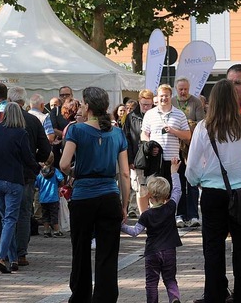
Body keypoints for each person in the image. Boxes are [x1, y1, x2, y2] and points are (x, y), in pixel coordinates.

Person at [185, 79, 241, 303]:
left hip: (212, 192)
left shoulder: (204, 127)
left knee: (213, 247)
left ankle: (215, 293)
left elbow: (191, 165)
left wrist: (197, 181)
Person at [60, 86, 130, 303]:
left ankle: (80, 297)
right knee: (108, 253)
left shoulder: (76, 130)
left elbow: (63, 163)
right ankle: (105, 298)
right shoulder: (117, 133)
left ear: (87, 107)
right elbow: (125, 174)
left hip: (83, 196)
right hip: (109, 195)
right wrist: (125, 205)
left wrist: (75, 171)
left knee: (80, 250)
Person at [0, 102, 41, 273]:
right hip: (14, 180)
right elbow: (28, 158)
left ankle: (13, 259)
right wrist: (38, 168)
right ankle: (1, 258)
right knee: (10, 219)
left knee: (5, 219)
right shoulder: (21, 133)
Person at [121, 157, 183, 303]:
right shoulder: (171, 207)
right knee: (170, 278)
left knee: (151, 283)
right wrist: (174, 172)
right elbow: (178, 190)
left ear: (149, 194)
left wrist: (121, 226)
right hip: (169, 250)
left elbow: (135, 231)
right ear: (166, 195)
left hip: (152, 251)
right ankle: (174, 297)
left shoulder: (146, 215)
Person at [7, 87, 52, 268]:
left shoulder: (0, 119)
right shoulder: (33, 120)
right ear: (24, 103)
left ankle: (7, 254)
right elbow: (46, 148)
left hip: (4, 175)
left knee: (7, 215)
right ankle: (21, 254)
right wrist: (36, 162)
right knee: (24, 213)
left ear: (9, 100)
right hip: (26, 174)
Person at [141, 84, 192, 227]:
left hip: (173, 159)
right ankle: (155, 218)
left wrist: (174, 131)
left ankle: (174, 217)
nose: (164, 98)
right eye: (161, 96)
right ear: (157, 97)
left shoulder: (179, 114)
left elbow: (188, 135)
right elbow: (144, 134)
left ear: (171, 96)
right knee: (154, 190)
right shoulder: (150, 114)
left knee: (173, 189)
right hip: (155, 160)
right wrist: (150, 146)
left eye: (166, 96)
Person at [173, 77, 205, 228]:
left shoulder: (196, 102)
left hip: (192, 147)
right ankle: (180, 214)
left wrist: (185, 126)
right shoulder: (172, 102)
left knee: (192, 181)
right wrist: (186, 125)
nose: (183, 92)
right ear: (176, 89)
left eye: (185, 89)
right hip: (176, 148)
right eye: (181, 89)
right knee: (178, 182)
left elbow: (200, 123)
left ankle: (193, 215)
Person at [123, 89, 155, 214]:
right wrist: (130, 160)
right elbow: (127, 139)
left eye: (149, 104)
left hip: (154, 158)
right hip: (137, 158)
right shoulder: (131, 117)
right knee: (140, 189)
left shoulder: (157, 115)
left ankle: (154, 215)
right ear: (139, 102)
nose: (146, 107)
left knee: (154, 188)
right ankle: (143, 216)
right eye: (143, 104)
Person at [34, 154, 65, 237]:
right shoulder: (55, 171)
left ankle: (46, 231)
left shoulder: (40, 173)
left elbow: (36, 184)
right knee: (54, 215)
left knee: (45, 215)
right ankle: (56, 231)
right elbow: (62, 180)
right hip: (53, 197)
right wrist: (58, 185)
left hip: (43, 198)